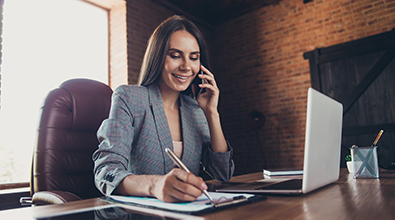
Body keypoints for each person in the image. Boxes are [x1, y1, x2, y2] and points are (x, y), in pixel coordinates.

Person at [92, 15, 234, 203]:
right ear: (158, 56)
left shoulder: (195, 110)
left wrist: (211, 113)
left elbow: (223, 173)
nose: (186, 66)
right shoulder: (129, 98)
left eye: (194, 58)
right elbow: (106, 172)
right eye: (175, 55)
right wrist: (155, 185)